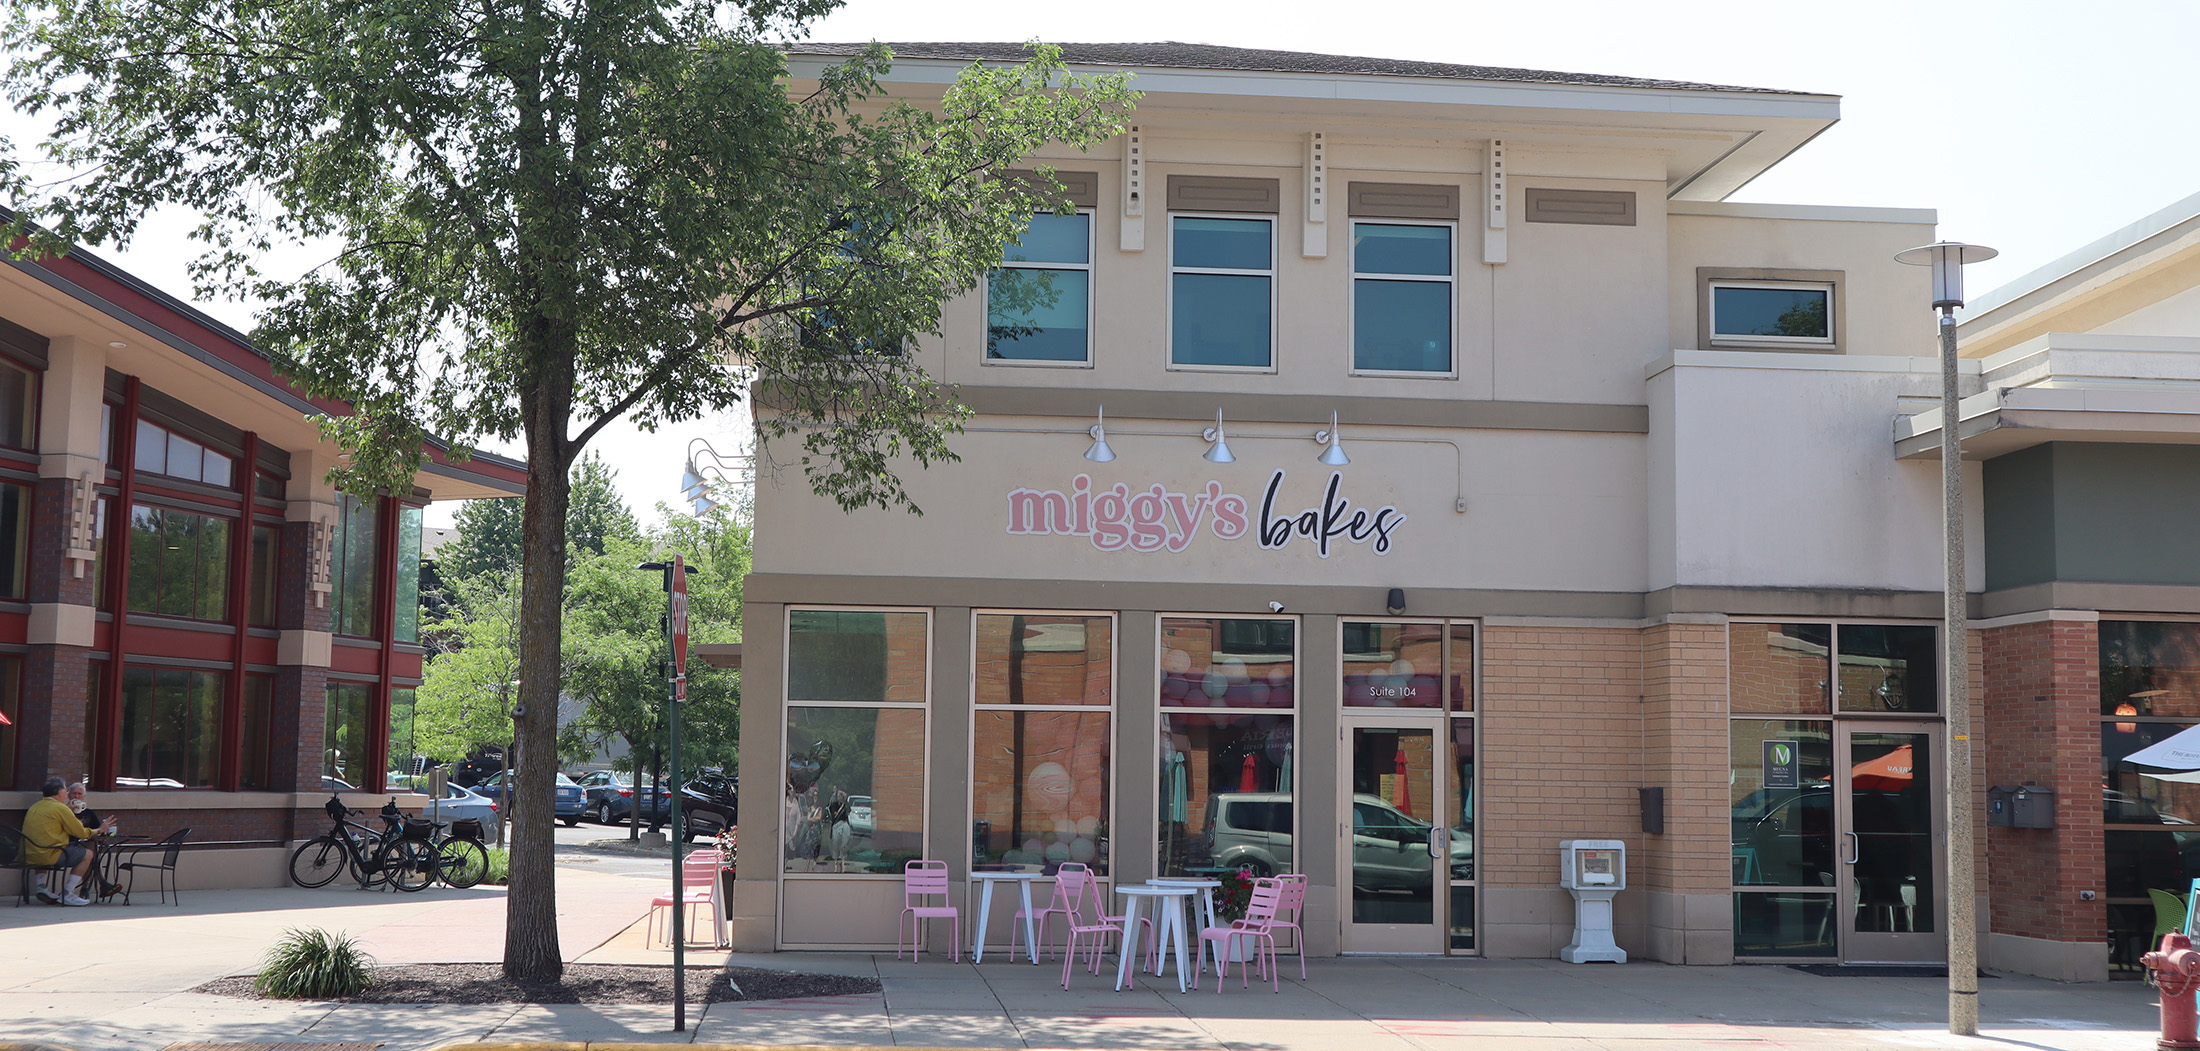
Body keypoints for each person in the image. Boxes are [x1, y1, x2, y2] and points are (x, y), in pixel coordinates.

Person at [24, 775, 117, 906]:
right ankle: (67, 893)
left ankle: (41, 887)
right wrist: (100, 829)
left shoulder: (35, 807)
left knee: (44, 845)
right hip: (49, 855)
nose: (67, 794)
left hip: (29, 854)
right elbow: (81, 832)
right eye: (66, 791)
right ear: (60, 793)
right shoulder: (60, 808)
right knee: (88, 854)